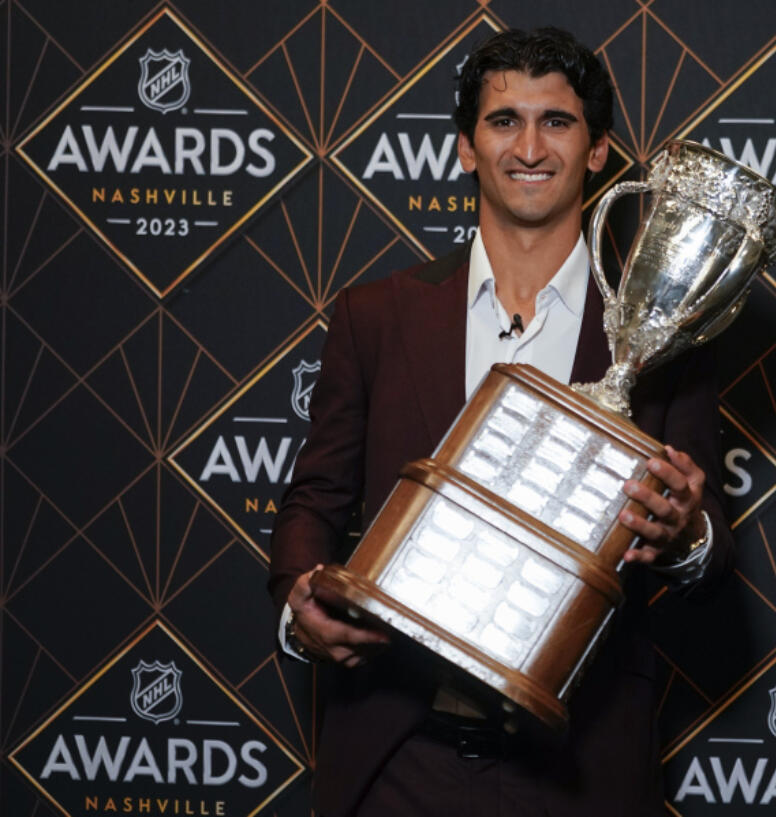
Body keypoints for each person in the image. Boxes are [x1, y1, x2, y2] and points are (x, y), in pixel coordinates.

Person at [269, 27, 732, 817]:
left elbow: (709, 541)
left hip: (577, 763)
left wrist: (687, 535)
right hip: (395, 755)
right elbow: (314, 502)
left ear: (597, 152)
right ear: (463, 148)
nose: (529, 146)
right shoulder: (375, 315)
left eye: (556, 121)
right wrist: (299, 602)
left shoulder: (664, 334)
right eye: (502, 120)